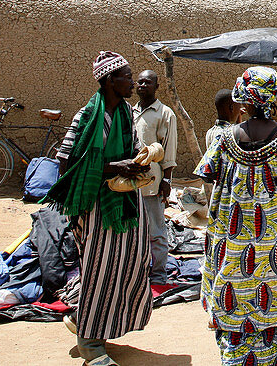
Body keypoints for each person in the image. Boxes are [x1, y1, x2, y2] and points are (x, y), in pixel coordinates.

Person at [194, 66, 277, 366]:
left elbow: (214, 186)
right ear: (274, 95)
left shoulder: (224, 140)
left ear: (243, 99)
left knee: (237, 331)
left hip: (233, 259)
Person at [43, 51, 152, 366]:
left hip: (123, 201)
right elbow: (67, 161)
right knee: (100, 267)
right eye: (127, 77)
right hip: (94, 205)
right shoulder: (86, 116)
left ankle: (82, 316)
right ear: (109, 80)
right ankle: (91, 344)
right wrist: (113, 166)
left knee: (128, 263)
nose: (132, 83)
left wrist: (137, 163)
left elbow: (131, 151)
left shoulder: (126, 115)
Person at [132, 69, 178, 284]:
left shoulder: (164, 113)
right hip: (129, 184)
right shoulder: (129, 112)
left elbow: (168, 151)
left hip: (152, 182)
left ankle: (158, 274)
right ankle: (135, 272)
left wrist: (166, 181)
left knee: (156, 232)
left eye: (147, 83)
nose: (142, 86)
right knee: (132, 233)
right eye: (139, 82)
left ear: (156, 86)